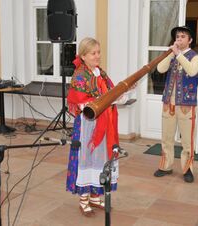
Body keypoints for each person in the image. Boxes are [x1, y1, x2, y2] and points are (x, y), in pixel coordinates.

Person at [66, 37, 122, 217]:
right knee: (87, 158)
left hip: (103, 122)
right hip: (88, 125)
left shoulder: (100, 73)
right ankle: (84, 200)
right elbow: (78, 102)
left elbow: (110, 93)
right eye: (93, 53)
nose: (97, 56)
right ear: (83, 56)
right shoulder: (80, 76)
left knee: (100, 157)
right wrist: (97, 103)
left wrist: (123, 92)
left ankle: (95, 197)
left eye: (99, 52)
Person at [153, 26, 198, 183]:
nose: (179, 39)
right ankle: (165, 166)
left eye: (182, 36)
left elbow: (192, 71)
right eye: (177, 36)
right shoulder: (173, 55)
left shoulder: (195, 57)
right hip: (169, 103)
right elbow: (160, 69)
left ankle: (188, 169)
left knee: (187, 141)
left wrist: (178, 54)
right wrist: (170, 53)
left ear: (190, 40)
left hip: (186, 105)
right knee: (166, 138)